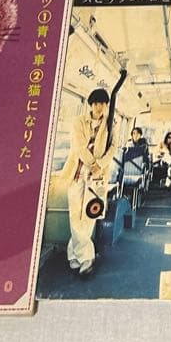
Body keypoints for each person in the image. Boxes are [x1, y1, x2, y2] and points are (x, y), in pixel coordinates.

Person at [59, 88, 116, 276]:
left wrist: (100, 165)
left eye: (103, 103)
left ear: (106, 105)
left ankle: (78, 256)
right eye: (96, 103)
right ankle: (84, 256)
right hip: (77, 172)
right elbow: (79, 146)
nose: (99, 107)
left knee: (90, 215)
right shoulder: (78, 122)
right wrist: (93, 164)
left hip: (97, 177)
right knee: (75, 215)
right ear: (91, 104)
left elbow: (113, 147)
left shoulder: (110, 124)